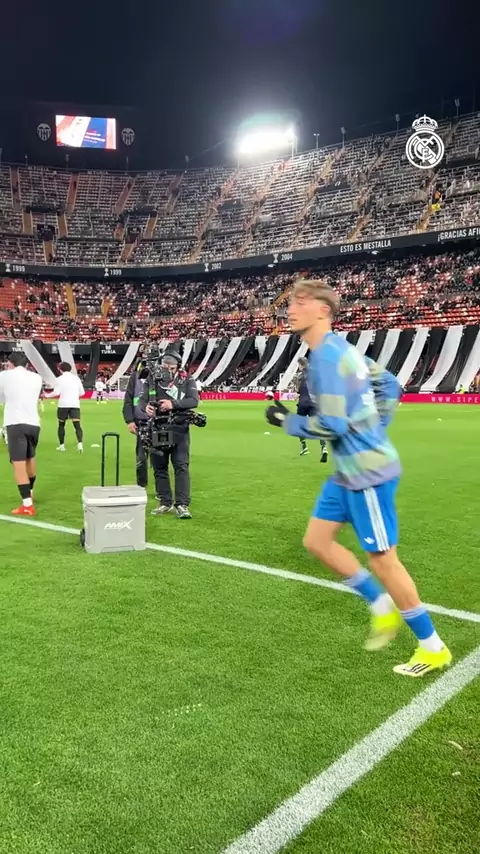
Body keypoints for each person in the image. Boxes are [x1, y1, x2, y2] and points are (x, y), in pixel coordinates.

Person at [266, 279, 451, 678]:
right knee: (317, 541)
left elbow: (332, 425)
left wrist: (288, 421)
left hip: (367, 474)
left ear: (324, 310)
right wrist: (374, 426)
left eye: (301, 302)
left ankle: (432, 646)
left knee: (384, 562)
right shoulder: (342, 350)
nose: (291, 309)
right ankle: (381, 606)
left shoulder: (327, 359)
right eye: (290, 302)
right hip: (347, 473)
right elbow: (390, 385)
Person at [140, 349, 199, 519]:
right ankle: (165, 502)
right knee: (159, 468)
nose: (168, 370)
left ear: (177, 366)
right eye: (165, 366)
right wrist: (145, 407)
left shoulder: (187, 379)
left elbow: (193, 401)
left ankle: (182, 504)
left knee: (181, 466)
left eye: (171, 367)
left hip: (179, 428)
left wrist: (173, 404)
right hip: (158, 427)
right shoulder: (152, 379)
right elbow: (141, 399)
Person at [0, 352, 42, 516]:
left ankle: (27, 505)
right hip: (34, 423)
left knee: (18, 464)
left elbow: (1, 398)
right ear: (26, 364)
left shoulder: (4, 375)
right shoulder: (36, 378)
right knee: (30, 459)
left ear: (10, 363)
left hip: (15, 423)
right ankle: (29, 493)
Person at [122, 358, 150, 488]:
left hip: (160, 421)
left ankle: (162, 491)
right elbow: (128, 400)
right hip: (141, 422)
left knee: (160, 458)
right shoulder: (135, 376)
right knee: (141, 457)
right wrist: (129, 420)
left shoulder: (162, 376)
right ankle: (141, 486)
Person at [45, 362, 85, 453]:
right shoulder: (76, 379)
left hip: (63, 405)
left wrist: (46, 395)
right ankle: (80, 444)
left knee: (61, 425)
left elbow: (56, 392)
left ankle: (62, 446)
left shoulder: (59, 379)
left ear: (60, 369)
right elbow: (82, 393)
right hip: (74, 404)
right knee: (77, 425)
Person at [296, 356, 328, 462]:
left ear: (300, 365)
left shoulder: (299, 376)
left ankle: (304, 447)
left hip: (302, 403)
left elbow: (299, 391)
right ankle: (323, 448)